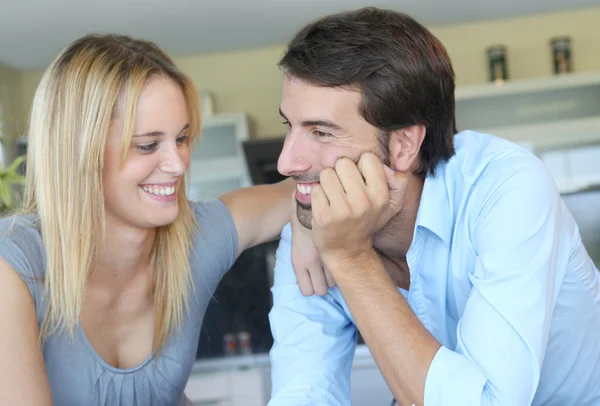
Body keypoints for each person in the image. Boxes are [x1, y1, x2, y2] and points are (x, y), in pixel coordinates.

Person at [269, 7, 600, 406]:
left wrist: (350, 257)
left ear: (405, 144)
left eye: (321, 132)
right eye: (290, 126)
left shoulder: (507, 188)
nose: (286, 163)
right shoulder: (309, 230)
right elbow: (302, 392)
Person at [0, 33, 320, 406]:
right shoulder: (14, 267)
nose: (178, 163)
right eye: (148, 145)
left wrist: (310, 221)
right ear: (80, 153)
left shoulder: (194, 238)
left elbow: (311, 189)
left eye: (182, 139)